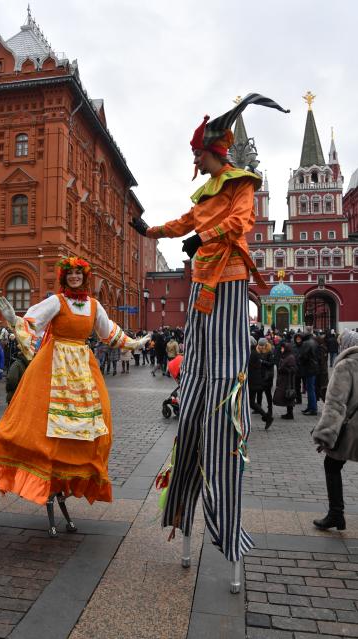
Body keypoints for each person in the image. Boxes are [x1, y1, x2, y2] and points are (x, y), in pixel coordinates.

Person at [130, 94, 289, 562]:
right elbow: (186, 222)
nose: (194, 161)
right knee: (198, 351)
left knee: (222, 355)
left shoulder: (241, 183)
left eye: (198, 152)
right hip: (202, 279)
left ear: (215, 151)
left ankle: (221, 397)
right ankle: (194, 390)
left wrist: (209, 237)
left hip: (230, 275)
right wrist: (151, 231)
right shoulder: (203, 192)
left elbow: (241, 222)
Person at [0, 256, 149, 508]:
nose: (75, 277)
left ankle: (71, 472)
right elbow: (33, 323)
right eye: (70, 274)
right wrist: (15, 320)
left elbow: (108, 331)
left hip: (81, 366)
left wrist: (134, 343)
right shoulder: (57, 301)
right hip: (55, 362)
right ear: (64, 278)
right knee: (38, 418)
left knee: (91, 420)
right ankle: (34, 468)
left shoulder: (94, 305)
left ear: (84, 277)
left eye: (79, 274)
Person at [312, 329, 358, 531]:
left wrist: (325, 436)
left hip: (352, 430)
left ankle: (336, 514)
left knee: (332, 466)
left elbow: (335, 405)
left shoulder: (346, 366)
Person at [248, 337, 273, 429]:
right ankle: (267, 417)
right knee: (250, 402)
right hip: (253, 381)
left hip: (253, 381)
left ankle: (267, 416)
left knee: (250, 402)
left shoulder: (252, 354)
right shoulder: (254, 353)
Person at [273, 342, 297, 420]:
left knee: (289, 395)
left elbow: (293, 369)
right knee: (286, 396)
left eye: (283, 348)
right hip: (284, 380)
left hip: (288, 381)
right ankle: (289, 413)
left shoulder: (290, 357)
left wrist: (284, 369)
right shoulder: (285, 356)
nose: (281, 349)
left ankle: (290, 414)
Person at [300, 326, 319, 416]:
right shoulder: (314, 342)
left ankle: (313, 409)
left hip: (309, 368)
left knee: (310, 389)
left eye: (304, 331)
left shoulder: (306, 343)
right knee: (310, 388)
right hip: (314, 367)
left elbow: (304, 356)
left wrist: (301, 362)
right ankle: (310, 407)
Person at [256, 337, 275, 420]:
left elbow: (271, 363)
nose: (261, 347)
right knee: (259, 392)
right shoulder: (257, 351)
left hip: (268, 376)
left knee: (268, 394)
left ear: (266, 345)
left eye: (263, 345)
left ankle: (270, 409)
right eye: (260, 345)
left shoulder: (270, 352)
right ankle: (258, 407)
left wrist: (262, 362)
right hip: (260, 375)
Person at [292, 333, 305, 405]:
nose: (298, 340)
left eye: (299, 339)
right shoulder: (294, 347)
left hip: (303, 368)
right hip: (296, 369)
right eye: (297, 339)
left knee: (304, 384)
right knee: (297, 385)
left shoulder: (304, 346)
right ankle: (298, 399)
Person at [316, 335, 329, 403]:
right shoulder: (324, 347)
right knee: (324, 385)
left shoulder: (320, 349)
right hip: (324, 369)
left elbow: (320, 360)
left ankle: (324, 399)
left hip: (321, 370)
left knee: (322, 386)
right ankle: (324, 398)